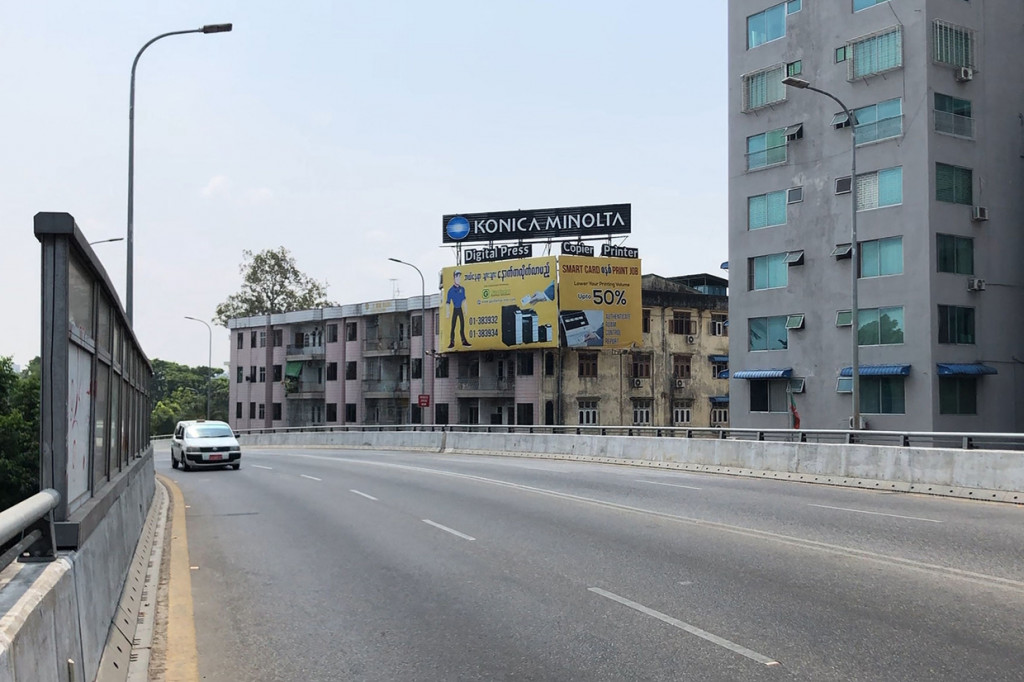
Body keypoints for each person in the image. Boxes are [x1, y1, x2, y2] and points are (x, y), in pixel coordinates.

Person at [445, 270, 471, 348]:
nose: (459, 278)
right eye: (457, 277)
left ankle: (464, 340)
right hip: (455, 309)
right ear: (454, 278)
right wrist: (447, 312)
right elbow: (448, 302)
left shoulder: (462, 289)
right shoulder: (451, 290)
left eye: (460, 277)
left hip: (460, 309)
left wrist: (466, 310)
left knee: (462, 325)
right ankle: (452, 342)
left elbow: (464, 300)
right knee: (453, 326)